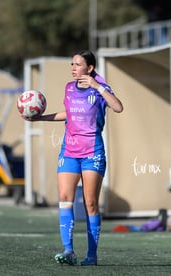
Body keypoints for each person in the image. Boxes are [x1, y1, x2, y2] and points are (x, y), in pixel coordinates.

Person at [23, 50, 123, 266]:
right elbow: (67, 114)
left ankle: (92, 255)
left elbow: (118, 107)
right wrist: (41, 117)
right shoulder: (69, 87)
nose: (73, 68)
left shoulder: (100, 90)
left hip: (92, 153)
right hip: (69, 152)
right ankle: (68, 250)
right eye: (72, 64)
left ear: (90, 68)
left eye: (78, 64)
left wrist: (98, 87)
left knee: (90, 203)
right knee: (65, 199)